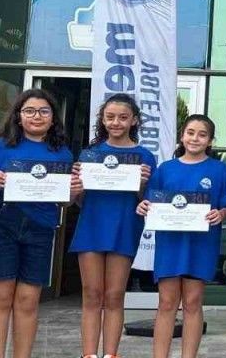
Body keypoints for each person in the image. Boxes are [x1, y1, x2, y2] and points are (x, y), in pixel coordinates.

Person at [0, 88, 76, 358]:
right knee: (0, 297)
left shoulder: (62, 154)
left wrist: (73, 192)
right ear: (18, 116)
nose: (36, 116)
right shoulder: (0, 146)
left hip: (40, 228)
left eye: (44, 111)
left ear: (53, 118)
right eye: (29, 111)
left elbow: (64, 202)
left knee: (28, 300)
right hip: (1, 224)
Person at [69, 94, 157, 358]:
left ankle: (110, 355)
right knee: (91, 294)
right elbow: (79, 201)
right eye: (110, 117)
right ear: (103, 120)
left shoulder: (144, 156)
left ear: (134, 120)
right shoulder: (90, 154)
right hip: (91, 226)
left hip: (124, 228)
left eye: (122, 117)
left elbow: (147, 201)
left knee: (115, 295)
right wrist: (76, 190)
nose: (116, 122)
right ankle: (88, 355)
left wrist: (142, 184)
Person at [138, 114, 226, 358]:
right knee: (167, 302)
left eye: (202, 134)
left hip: (201, 244)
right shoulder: (165, 169)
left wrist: (222, 213)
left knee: (192, 302)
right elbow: (150, 200)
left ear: (210, 141)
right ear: (182, 135)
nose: (195, 138)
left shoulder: (219, 170)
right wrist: (144, 206)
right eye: (190, 133)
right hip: (170, 243)